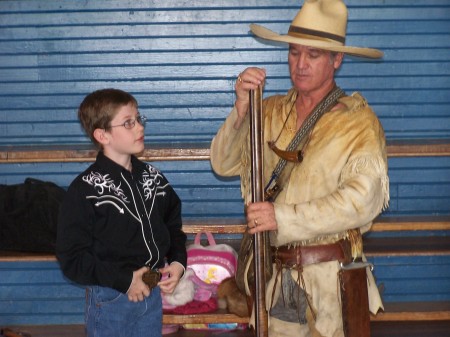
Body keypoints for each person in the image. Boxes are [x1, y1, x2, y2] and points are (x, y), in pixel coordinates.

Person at [210, 0, 389, 336]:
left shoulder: (359, 123)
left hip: (330, 282)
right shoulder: (268, 110)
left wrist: (284, 217)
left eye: (314, 55)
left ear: (337, 60)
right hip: (274, 279)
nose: (300, 64)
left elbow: (363, 200)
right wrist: (241, 110)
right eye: (294, 53)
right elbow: (222, 163)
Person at [56, 88, 187, 337]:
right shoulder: (85, 189)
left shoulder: (155, 179)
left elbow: (173, 226)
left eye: (138, 119)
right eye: (128, 123)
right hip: (111, 300)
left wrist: (179, 261)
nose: (139, 127)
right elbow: (71, 258)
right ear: (102, 135)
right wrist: (125, 281)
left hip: (152, 292)